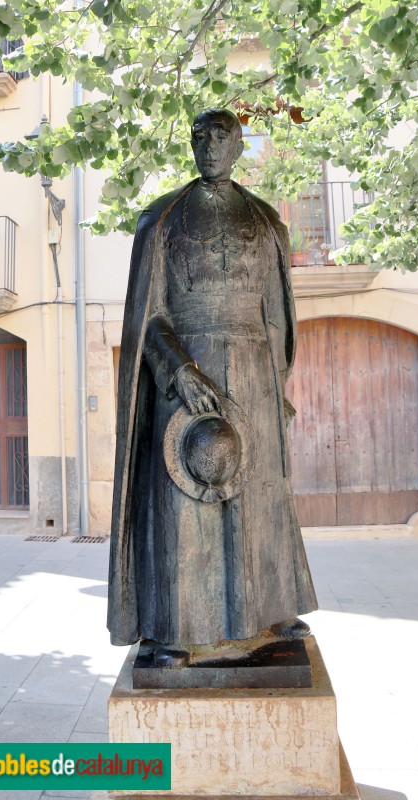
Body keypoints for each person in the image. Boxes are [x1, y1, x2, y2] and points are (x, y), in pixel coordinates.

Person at [108, 108, 317, 665]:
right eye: (197, 135)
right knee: (185, 503)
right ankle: (177, 629)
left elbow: (277, 316)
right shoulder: (163, 219)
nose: (207, 145)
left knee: (261, 496)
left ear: (239, 145)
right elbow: (146, 317)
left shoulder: (268, 222)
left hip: (253, 372)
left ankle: (270, 612)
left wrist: (277, 389)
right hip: (187, 376)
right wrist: (178, 368)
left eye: (219, 136)